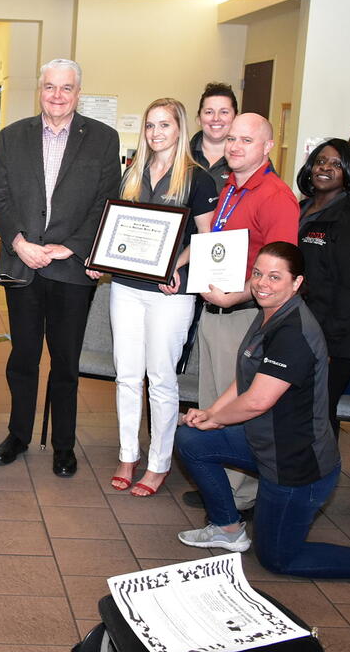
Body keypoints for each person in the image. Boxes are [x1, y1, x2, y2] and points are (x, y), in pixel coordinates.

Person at [175, 243, 350, 580]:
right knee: (191, 438)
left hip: (297, 465)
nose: (263, 283)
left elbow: (257, 401)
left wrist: (216, 419)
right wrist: (210, 412)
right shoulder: (270, 314)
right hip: (265, 443)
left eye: (275, 277)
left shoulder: (294, 331)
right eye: (258, 273)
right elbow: (246, 376)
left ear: (296, 283)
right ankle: (227, 528)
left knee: (279, 559)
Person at [0, 59, 121, 478]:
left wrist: (74, 247)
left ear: (78, 92)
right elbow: (0, 198)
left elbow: (107, 201)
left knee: (65, 363)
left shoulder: (102, 139)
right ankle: (18, 435)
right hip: (23, 264)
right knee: (23, 358)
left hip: (71, 269)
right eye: (50, 87)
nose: (57, 95)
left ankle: (64, 444)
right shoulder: (11, 138)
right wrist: (18, 242)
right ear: (39, 90)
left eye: (66, 88)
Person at [185, 112, 299, 513]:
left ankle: (242, 496)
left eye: (246, 140)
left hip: (244, 314)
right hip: (215, 312)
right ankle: (219, 483)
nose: (235, 146)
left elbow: (279, 272)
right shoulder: (230, 187)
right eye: (231, 138)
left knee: (238, 403)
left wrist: (239, 297)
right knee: (214, 397)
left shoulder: (274, 195)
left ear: (267, 146)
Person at [108, 98, 215, 496]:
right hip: (126, 287)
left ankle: (158, 463)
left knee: (161, 378)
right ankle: (127, 454)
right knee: (127, 376)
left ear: (179, 128)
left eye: (164, 125)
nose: (156, 133)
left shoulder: (197, 178)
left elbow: (207, 236)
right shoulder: (132, 173)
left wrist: (176, 265)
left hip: (170, 291)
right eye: (150, 126)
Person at [295, 139, 350, 425]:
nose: (325, 168)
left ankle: (322, 470)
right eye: (320, 161)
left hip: (334, 341)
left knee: (317, 415)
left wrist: (327, 344)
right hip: (300, 328)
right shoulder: (301, 208)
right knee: (297, 412)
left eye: (336, 164)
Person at [188, 82, 238, 188]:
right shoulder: (181, 156)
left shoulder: (250, 159)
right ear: (199, 119)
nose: (216, 118)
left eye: (224, 112)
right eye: (209, 112)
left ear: (236, 118)